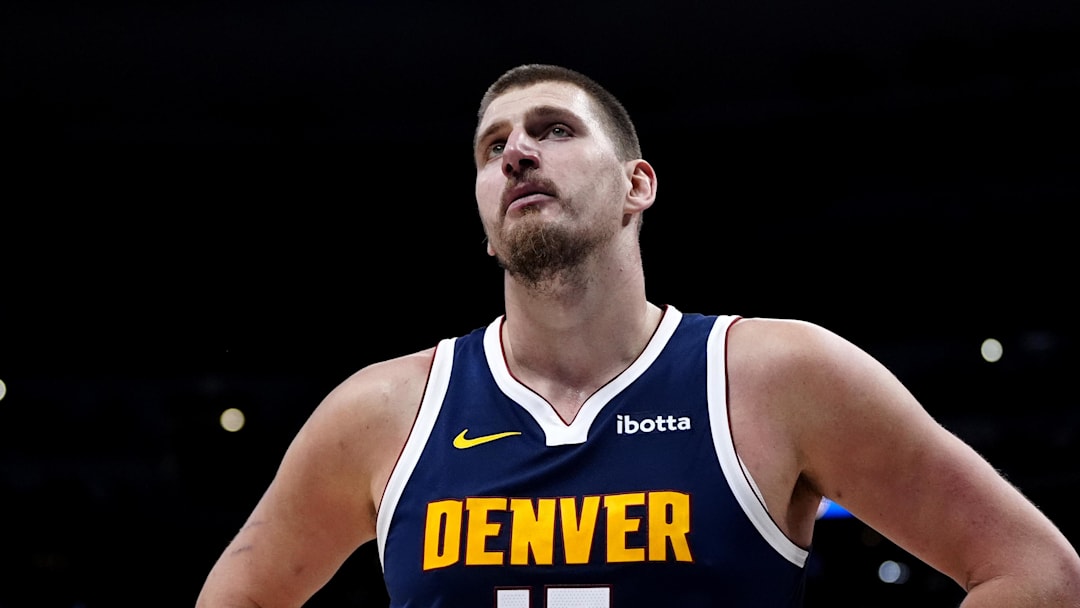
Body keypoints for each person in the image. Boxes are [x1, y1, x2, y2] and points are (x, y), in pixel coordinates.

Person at [195, 63, 1080, 607]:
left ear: (637, 185)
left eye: (553, 130)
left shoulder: (779, 374)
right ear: (482, 207)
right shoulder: (381, 408)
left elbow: (1035, 571)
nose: (515, 154)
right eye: (491, 145)